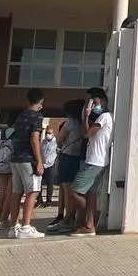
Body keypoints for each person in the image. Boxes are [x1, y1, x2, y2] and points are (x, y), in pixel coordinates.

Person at [67, 87, 114, 237]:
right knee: (91, 193)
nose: (91, 104)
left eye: (94, 101)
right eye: (89, 101)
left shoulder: (104, 117)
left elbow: (87, 133)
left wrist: (86, 116)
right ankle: (89, 225)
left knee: (74, 191)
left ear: (102, 100)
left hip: (95, 161)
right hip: (98, 160)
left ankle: (88, 214)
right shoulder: (106, 117)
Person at [6, 88, 46, 240]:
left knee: (16, 193)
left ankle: (13, 227)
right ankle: (26, 227)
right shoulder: (37, 117)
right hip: (28, 159)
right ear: (40, 102)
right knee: (32, 192)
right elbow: (34, 139)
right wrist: (39, 161)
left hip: (16, 158)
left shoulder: (21, 116)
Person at [48, 99, 85, 233]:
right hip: (79, 158)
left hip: (67, 156)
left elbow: (58, 140)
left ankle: (68, 219)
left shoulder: (71, 123)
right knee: (75, 189)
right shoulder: (85, 123)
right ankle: (73, 218)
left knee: (67, 190)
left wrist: (62, 142)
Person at [39, 127, 58, 207]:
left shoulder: (56, 143)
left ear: (53, 134)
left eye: (49, 133)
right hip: (42, 164)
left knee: (50, 184)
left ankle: (48, 201)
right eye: (47, 133)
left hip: (51, 165)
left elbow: (58, 153)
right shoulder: (44, 142)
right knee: (39, 183)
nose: (48, 135)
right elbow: (40, 151)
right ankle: (39, 200)